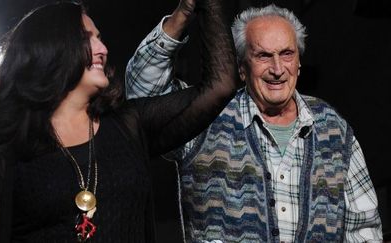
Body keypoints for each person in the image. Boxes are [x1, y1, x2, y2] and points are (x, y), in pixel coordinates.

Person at [0, 0, 240, 242]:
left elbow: (220, 86)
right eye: (87, 38)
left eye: (99, 37)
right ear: (51, 48)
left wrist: (198, 6)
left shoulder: (128, 124)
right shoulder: (6, 148)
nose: (102, 48)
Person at [126, 1, 383, 242]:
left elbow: (363, 228)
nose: (277, 68)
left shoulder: (333, 128)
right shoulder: (208, 118)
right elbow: (143, 98)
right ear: (241, 68)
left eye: (286, 54)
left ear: (299, 63)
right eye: (263, 56)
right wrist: (182, 12)